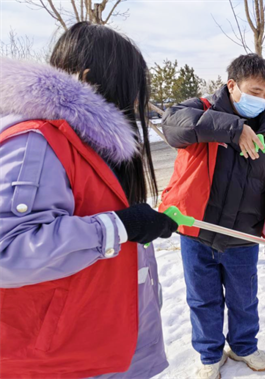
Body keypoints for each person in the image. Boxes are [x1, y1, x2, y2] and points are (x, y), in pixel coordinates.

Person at [0, 22, 178, 378]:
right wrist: (120, 227)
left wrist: (134, 228)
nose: (136, 103)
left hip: (99, 343)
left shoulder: (82, 144)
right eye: (130, 91)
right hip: (62, 360)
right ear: (89, 80)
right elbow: (8, 251)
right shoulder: (35, 143)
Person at [161, 54, 265, 378]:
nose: (262, 100)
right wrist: (232, 129)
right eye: (255, 91)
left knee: (244, 300)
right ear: (232, 85)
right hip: (197, 231)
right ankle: (209, 354)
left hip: (243, 235)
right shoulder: (202, 110)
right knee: (202, 300)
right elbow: (173, 126)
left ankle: (243, 346)